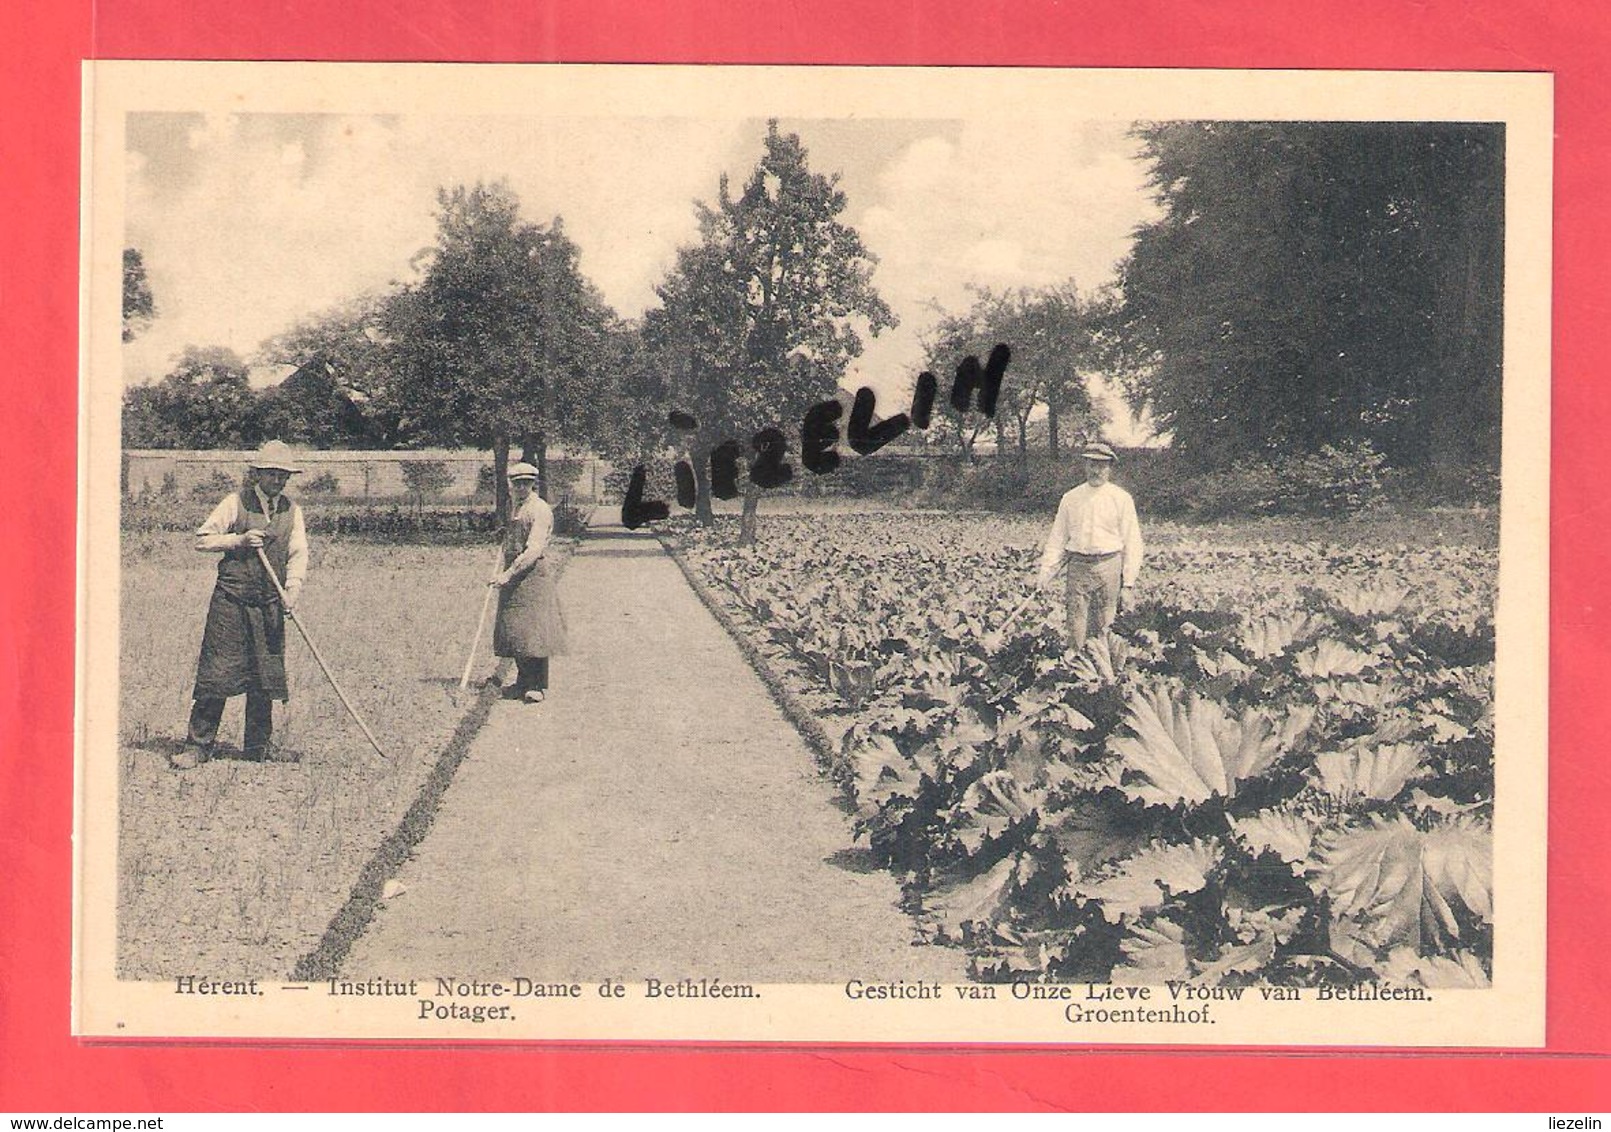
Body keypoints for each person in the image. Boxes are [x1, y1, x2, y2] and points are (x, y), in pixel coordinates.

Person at [174, 440, 309, 769]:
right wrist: (238, 540)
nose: (279, 480)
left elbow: (298, 554)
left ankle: (258, 747)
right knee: (217, 672)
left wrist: (292, 590)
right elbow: (202, 539)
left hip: (270, 603)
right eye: (273, 474)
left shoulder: (292, 511)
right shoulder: (235, 503)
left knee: (264, 675)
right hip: (231, 601)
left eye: (284, 475)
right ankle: (198, 746)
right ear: (258, 474)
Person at [1036, 440, 1144, 653]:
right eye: (1092, 464)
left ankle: (1102, 675)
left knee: (1106, 624)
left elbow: (1133, 542)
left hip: (1109, 566)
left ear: (1110, 468)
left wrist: (1129, 584)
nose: (1097, 470)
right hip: (1078, 567)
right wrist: (1045, 574)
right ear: (1085, 465)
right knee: (1076, 625)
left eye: (1102, 465)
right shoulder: (1070, 498)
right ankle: (1077, 670)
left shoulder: (1121, 499)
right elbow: (1057, 539)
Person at [492, 463, 568, 703]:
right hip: (514, 574)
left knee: (534, 630)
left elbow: (534, 549)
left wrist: (508, 573)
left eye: (526, 482)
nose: (521, 486)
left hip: (532, 574)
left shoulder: (540, 509)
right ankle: (522, 681)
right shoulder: (516, 506)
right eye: (517, 482)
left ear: (534, 483)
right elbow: (514, 536)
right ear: (511, 485)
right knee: (515, 629)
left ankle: (536, 685)